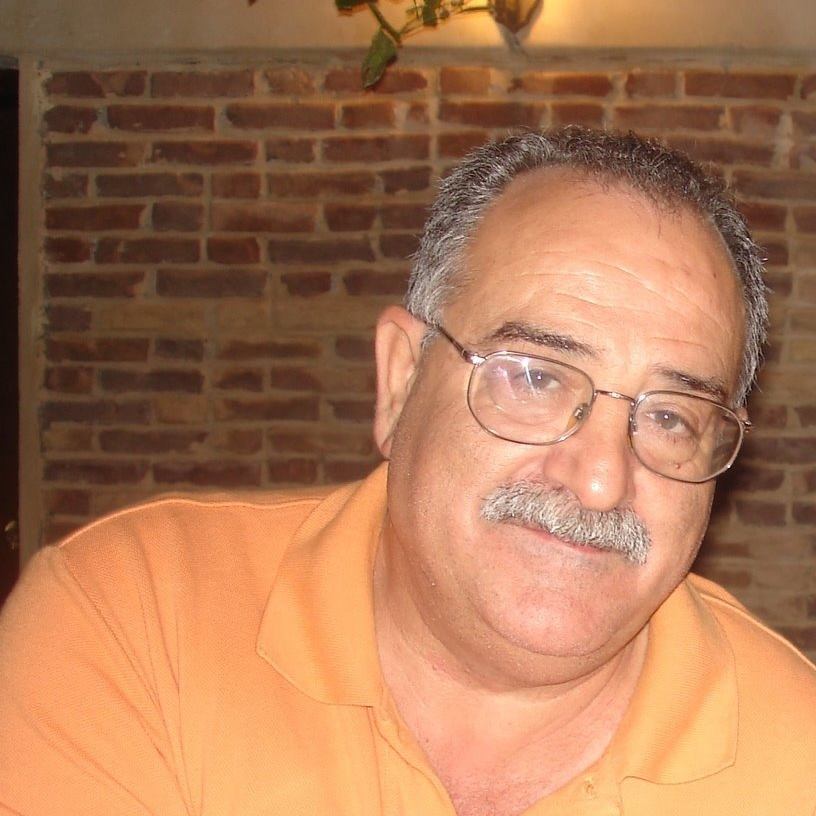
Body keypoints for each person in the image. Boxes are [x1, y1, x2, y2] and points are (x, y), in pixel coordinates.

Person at [1, 127, 815, 816]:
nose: (601, 480)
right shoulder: (136, 623)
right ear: (400, 380)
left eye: (670, 416)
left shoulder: (795, 756)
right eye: (534, 377)